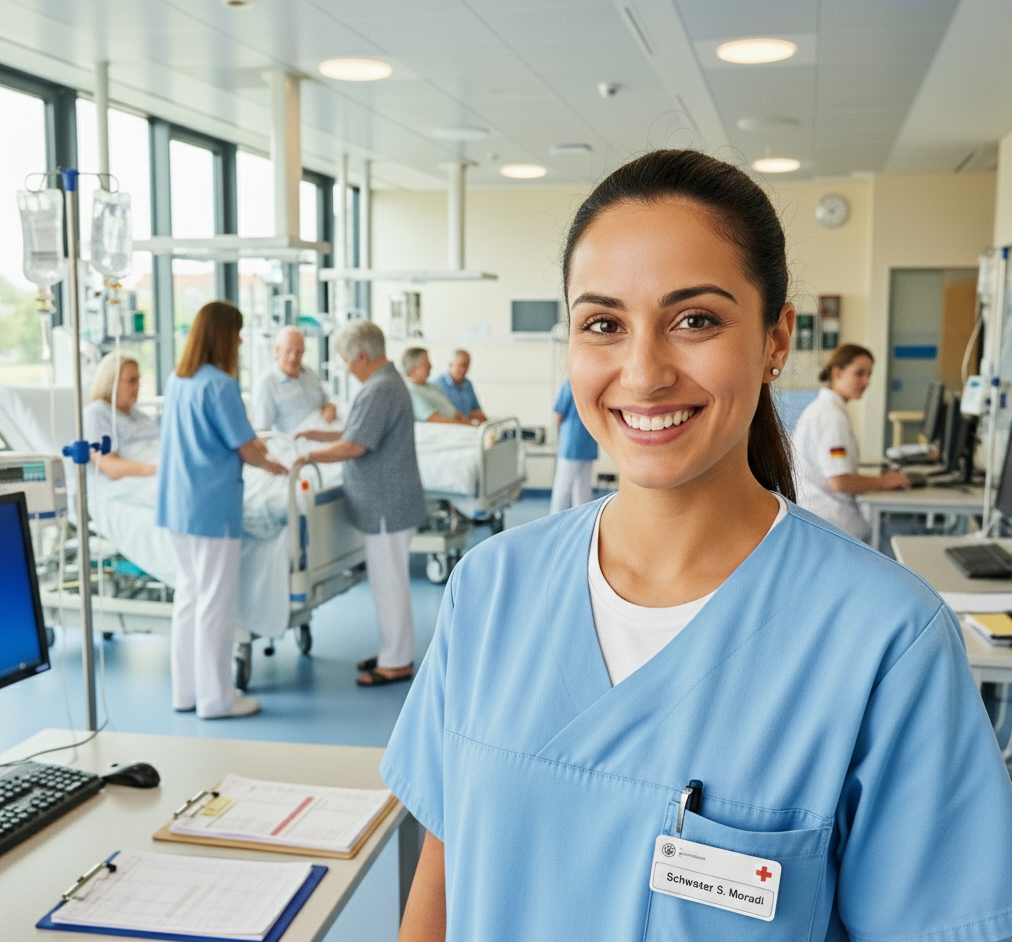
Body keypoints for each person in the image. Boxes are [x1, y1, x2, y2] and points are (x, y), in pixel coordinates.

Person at [380, 150, 1012, 940]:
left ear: (776, 337)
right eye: (603, 324)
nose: (643, 373)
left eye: (696, 320)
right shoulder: (491, 590)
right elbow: (441, 881)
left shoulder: (885, 640)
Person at [157, 301, 287, 719]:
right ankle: (216, 698)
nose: (241, 340)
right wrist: (275, 465)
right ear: (222, 336)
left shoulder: (179, 380)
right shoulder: (221, 385)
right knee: (215, 602)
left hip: (178, 505)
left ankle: (187, 692)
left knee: (189, 598)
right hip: (212, 506)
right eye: (237, 332)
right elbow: (245, 447)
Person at [297, 322, 425, 686]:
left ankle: (397, 661)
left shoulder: (380, 389)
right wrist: (316, 436)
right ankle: (392, 650)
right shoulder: (383, 383)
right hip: (389, 501)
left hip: (386, 503)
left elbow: (355, 446)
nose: (347, 368)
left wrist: (309, 458)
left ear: (363, 356)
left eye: (346, 361)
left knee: (389, 584)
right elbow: (355, 430)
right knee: (389, 582)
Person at [792, 344, 911, 541]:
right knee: (906, 539)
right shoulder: (831, 416)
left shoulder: (827, 409)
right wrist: (883, 481)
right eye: (859, 373)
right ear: (837, 373)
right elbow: (839, 482)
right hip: (832, 523)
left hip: (824, 519)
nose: (866, 381)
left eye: (869, 375)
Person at [84, 351, 159, 480]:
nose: (138, 385)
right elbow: (108, 465)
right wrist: (157, 470)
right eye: (131, 380)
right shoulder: (97, 413)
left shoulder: (137, 414)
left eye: (138, 379)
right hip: (140, 482)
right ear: (111, 383)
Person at [251, 325, 337, 434]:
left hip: (325, 436)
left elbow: (326, 401)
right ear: (277, 350)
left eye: (299, 352)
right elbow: (262, 430)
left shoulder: (310, 374)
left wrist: (329, 407)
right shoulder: (266, 384)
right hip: (292, 446)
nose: (293, 358)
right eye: (288, 351)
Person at [549, 376, 598, 513]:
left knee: (563, 489)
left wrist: (558, 440)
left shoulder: (569, 385)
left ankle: (556, 522)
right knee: (583, 491)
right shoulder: (593, 384)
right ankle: (582, 523)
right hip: (588, 444)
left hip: (570, 446)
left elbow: (559, 415)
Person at [402, 347, 475, 424]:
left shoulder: (432, 387)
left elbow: (454, 412)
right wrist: (466, 426)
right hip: (444, 430)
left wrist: (469, 424)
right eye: (426, 363)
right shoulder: (410, 391)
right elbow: (435, 420)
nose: (430, 366)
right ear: (414, 368)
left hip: (459, 428)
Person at [432, 348, 486, 423]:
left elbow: (477, 411)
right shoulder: (436, 384)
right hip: (446, 426)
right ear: (451, 365)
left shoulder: (467, 384)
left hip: (466, 426)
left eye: (467, 366)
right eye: (462, 365)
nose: (464, 370)